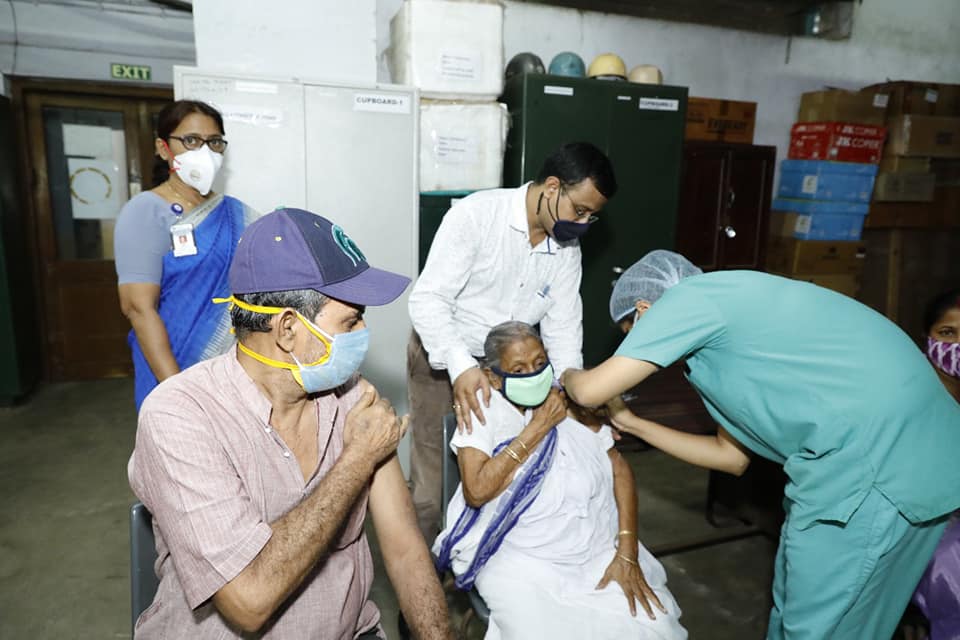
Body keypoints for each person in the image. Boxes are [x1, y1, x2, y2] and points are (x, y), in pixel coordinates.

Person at [560, 250, 960, 640]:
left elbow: (592, 390)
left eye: (635, 337)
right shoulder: (726, 341)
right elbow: (730, 457)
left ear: (647, 311)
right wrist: (632, 423)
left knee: (817, 626)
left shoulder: (691, 298)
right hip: (921, 462)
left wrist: (566, 371)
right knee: (840, 616)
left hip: (875, 473)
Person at [128, 208, 453, 639]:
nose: (363, 331)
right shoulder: (180, 416)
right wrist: (357, 460)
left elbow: (406, 551)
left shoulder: (351, 396)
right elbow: (249, 600)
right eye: (351, 320)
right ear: (287, 329)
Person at [408, 141, 617, 540]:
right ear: (552, 187)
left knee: (506, 466)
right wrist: (461, 366)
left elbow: (563, 327)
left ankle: (479, 565)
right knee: (435, 481)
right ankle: (424, 580)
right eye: (580, 210)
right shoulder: (476, 216)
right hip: (448, 351)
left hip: (514, 368)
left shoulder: (566, 248)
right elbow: (429, 299)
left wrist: (571, 389)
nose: (585, 224)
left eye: (593, 216)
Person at [434, 321, 686, 640]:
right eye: (520, 368)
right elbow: (477, 490)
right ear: (493, 378)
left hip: (592, 549)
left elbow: (619, 470)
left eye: (540, 364)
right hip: (519, 562)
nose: (534, 374)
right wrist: (538, 429)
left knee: (651, 624)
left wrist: (626, 549)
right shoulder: (482, 410)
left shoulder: (569, 400)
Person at [115, 99, 259, 411]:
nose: (204, 152)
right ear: (164, 148)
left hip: (235, 372)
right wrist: (179, 393)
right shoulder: (145, 212)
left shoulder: (235, 214)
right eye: (191, 141)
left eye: (214, 142)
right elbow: (139, 309)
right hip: (170, 367)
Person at [909, 289, 960, 640]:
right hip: (921, 528)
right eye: (948, 333)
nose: (958, 345)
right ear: (926, 338)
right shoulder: (909, 397)